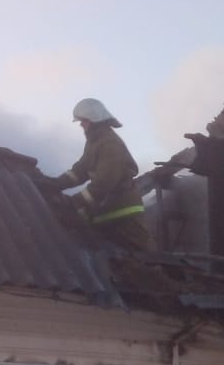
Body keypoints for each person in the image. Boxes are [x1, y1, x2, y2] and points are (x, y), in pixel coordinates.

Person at [44, 98, 153, 253]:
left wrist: (75, 202)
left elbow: (104, 183)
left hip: (124, 211)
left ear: (93, 119)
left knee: (137, 256)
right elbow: (80, 171)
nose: (81, 125)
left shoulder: (110, 144)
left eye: (83, 121)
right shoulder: (95, 142)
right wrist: (55, 183)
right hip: (106, 208)